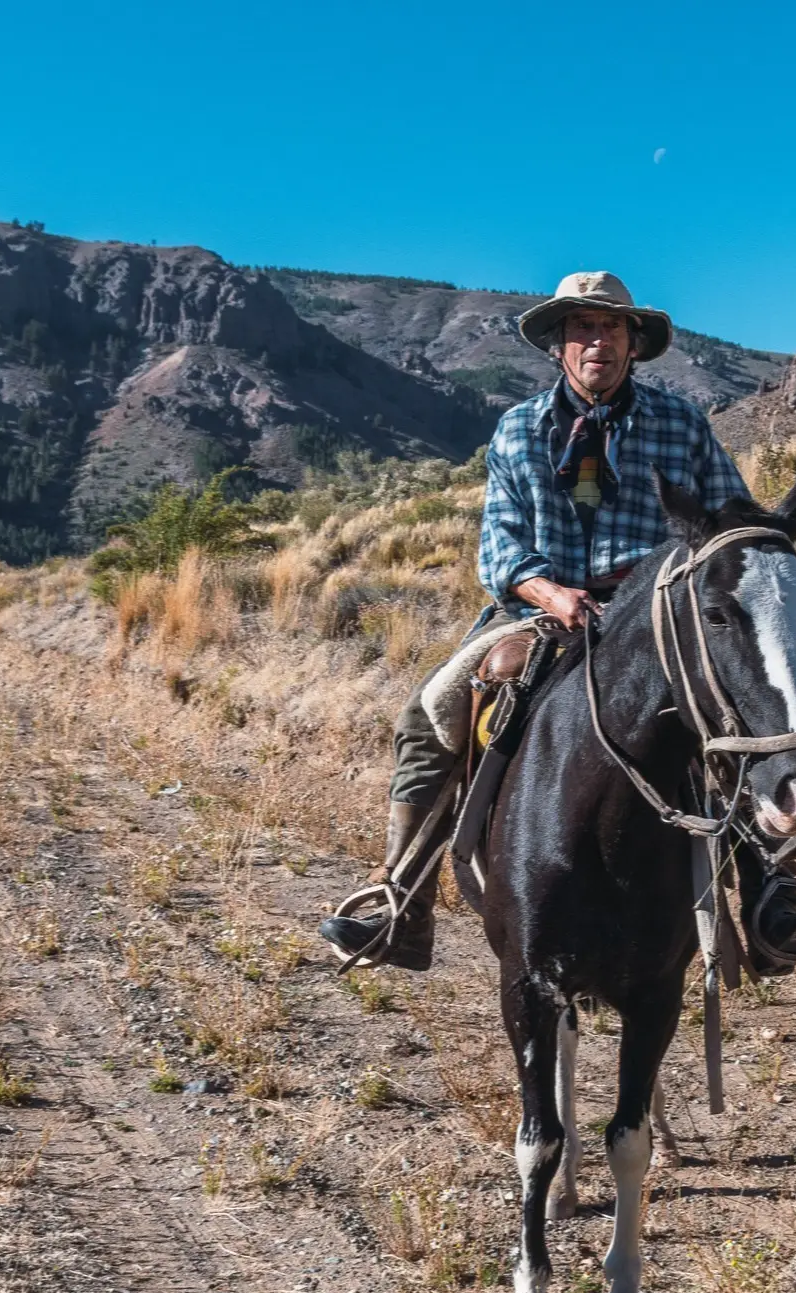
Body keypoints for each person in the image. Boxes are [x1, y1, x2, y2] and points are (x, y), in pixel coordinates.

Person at [319, 272, 753, 970]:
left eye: (610, 328)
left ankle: (768, 896)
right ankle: (403, 904)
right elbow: (500, 543)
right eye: (580, 328)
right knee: (431, 714)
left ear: (633, 342)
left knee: (743, 715)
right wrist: (553, 595)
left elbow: (733, 516)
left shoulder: (683, 424)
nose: (595, 342)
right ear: (558, 345)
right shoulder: (519, 428)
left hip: (654, 616)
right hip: (535, 610)